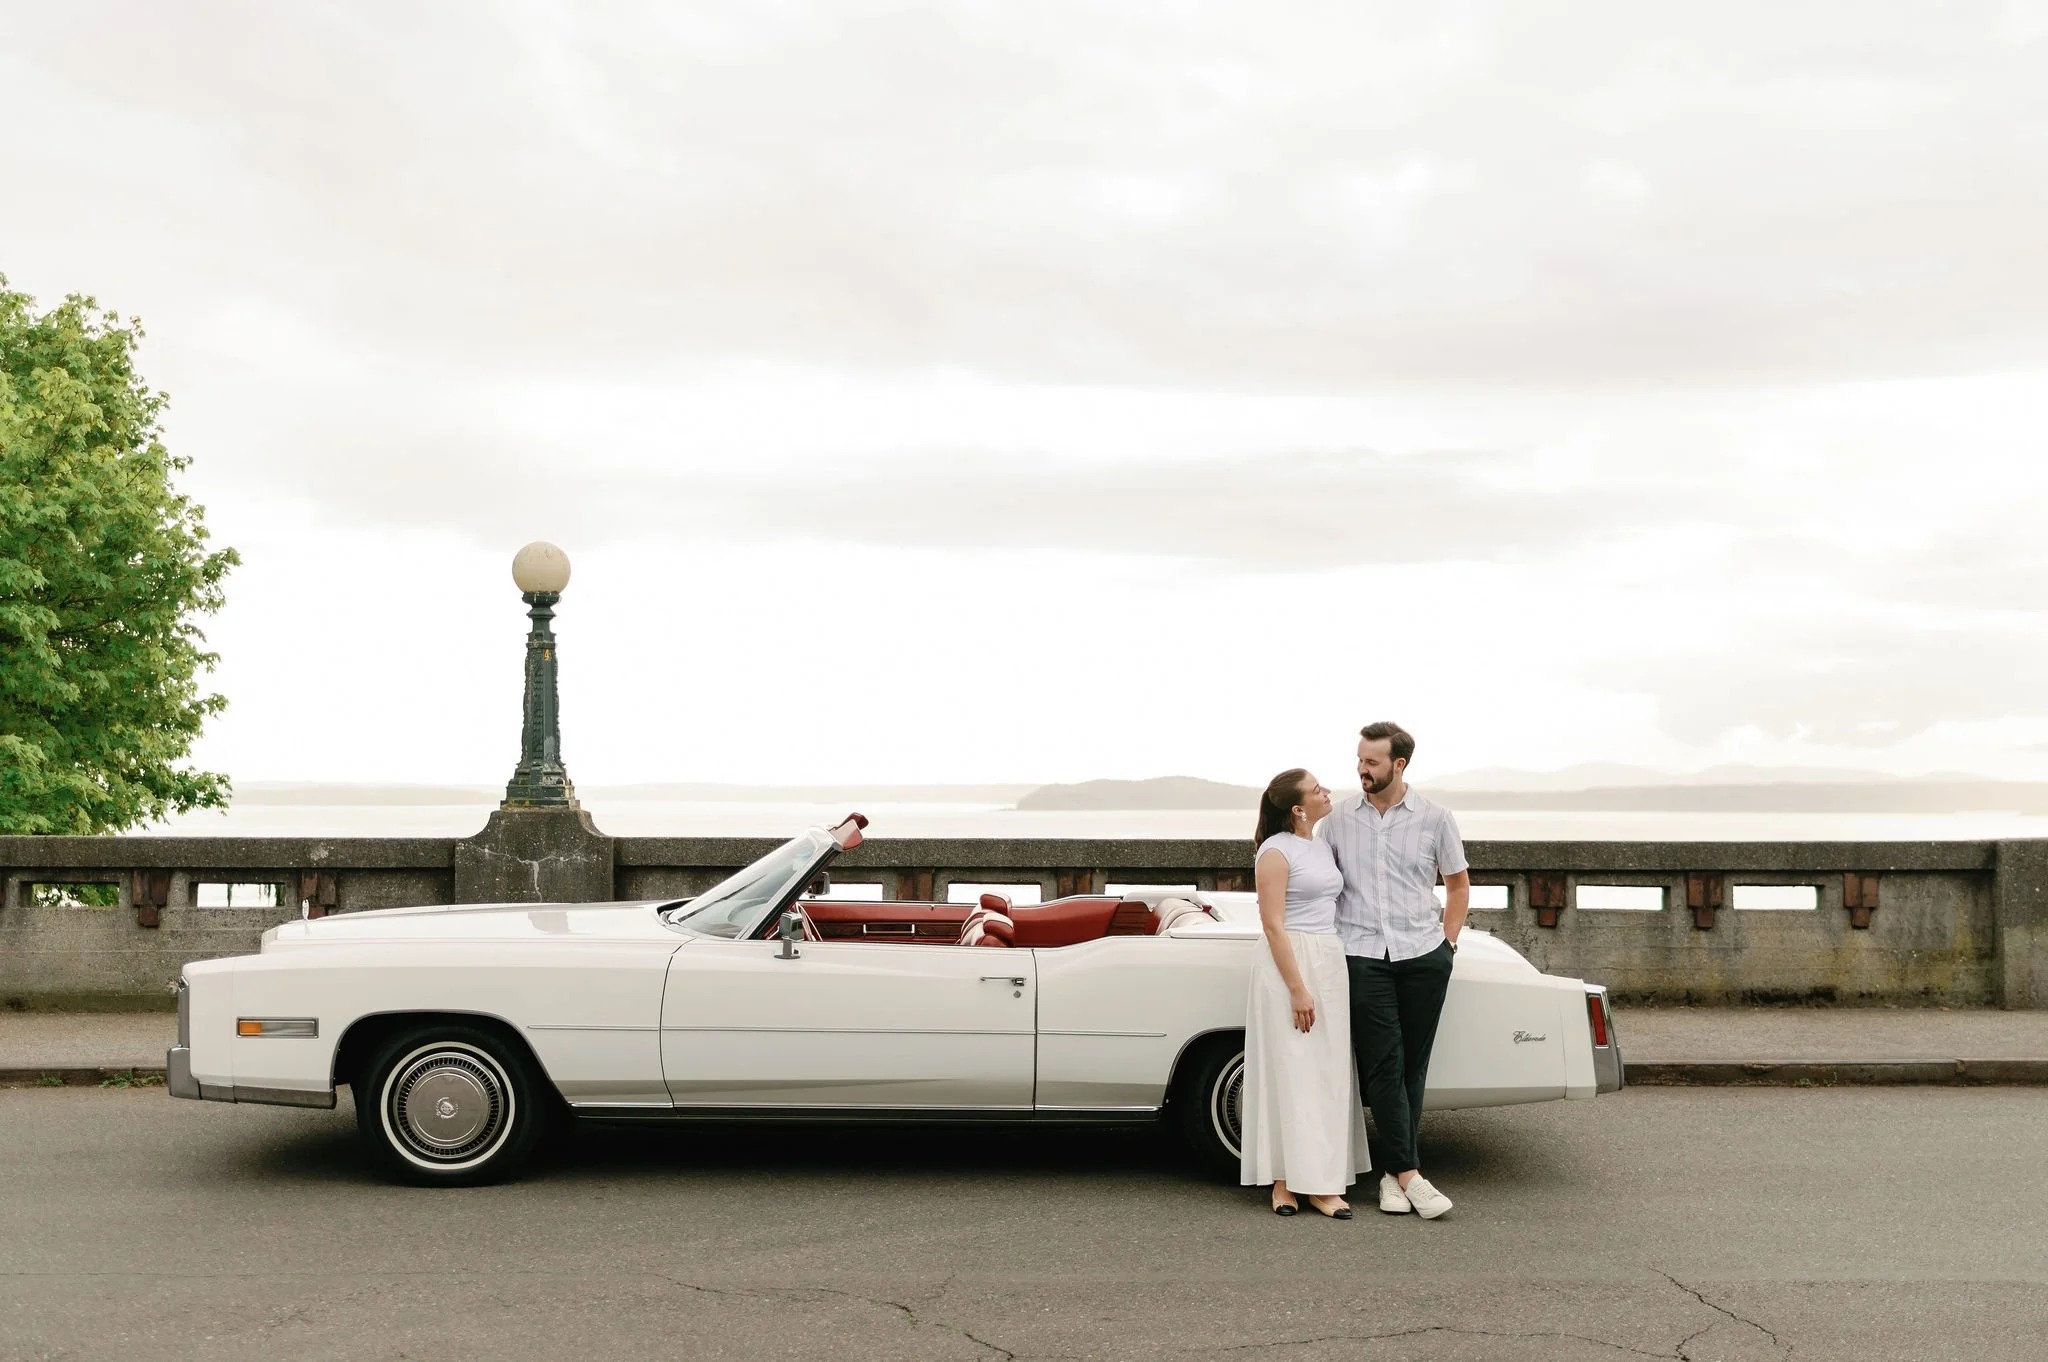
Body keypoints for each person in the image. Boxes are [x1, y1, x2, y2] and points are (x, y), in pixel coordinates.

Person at [1316, 722, 1468, 1220]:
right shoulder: (1337, 821)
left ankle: (1390, 1177)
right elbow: (1322, 886)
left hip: (1423, 954)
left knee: (1412, 1066)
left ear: (1398, 765)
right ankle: (1409, 1174)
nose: (1362, 769)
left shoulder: (1435, 819)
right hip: (1362, 954)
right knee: (1383, 1062)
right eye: (1360, 760)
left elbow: (1458, 884)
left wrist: (1446, 944)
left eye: (1372, 762)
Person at [1240, 768, 1370, 1218]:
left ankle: (1322, 1181)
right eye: (1317, 789)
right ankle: (1284, 1181)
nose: (1326, 791)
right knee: (1290, 1069)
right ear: (1297, 808)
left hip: (1328, 959)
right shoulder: (1274, 853)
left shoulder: (1318, 843)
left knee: (1326, 1072)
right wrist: (1297, 989)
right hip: (1289, 963)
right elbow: (1273, 925)